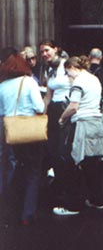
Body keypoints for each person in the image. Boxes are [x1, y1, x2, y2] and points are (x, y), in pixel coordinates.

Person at [52, 56, 103, 216]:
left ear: (73, 68)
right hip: (95, 124)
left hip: (81, 124)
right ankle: (98, 200)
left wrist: (62, 118)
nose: (68, 78)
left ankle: (73, 205)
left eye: (68, 73)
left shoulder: (78, 82)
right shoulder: (94, 79)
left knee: (72, 163)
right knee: (92, 163)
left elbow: (74, 106)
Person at [0, 53, 44, 225]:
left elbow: (1, 112)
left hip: (10, 131)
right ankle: (28, 213)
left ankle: (9, 211)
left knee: (13, 169)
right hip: (29, 130)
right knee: (33, 172)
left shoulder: (2, 86)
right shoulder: (29, 82)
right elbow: (39, 107)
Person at [39, 39, 71, 196]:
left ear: (56, 49)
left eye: (47, 50)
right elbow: (48, 96)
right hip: (54, 110)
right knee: (53, 149)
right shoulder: (48, 69)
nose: (44, 54)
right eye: (42, 52)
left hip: (66, 109)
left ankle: (67, 185)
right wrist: (42, 114)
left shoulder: (66, 66)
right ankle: (59, 182)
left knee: (63, 149)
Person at [0, 47, 18, 197]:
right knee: (11, 156)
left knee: (8, 155)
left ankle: (6, 188)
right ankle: (9, 189)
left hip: (4, 116)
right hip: (10, 117)